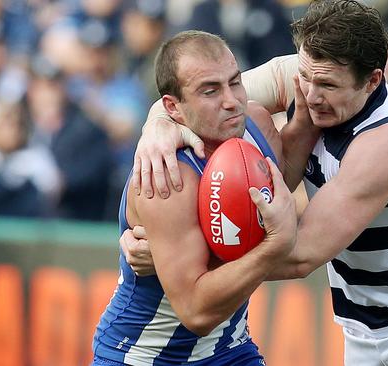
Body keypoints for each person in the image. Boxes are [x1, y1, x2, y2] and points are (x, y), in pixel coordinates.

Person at [123, 1, 388, 365]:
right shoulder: (309, 73)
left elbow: (299, 254)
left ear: (373, 81)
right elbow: (194, 95)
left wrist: (178, 258)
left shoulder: (387, 143)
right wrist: (156, 125)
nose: (311, 94)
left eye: (328, 86)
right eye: (305, 77)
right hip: (363, 328)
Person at [91, 30, 297, 366]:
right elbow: (196, 312)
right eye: (210, 91)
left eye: (235, 82)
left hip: (230, 348)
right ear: (173, 107)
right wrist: (275, 245)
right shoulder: (165, 175)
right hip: (147, 355)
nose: (231, 100)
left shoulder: (256, 123)